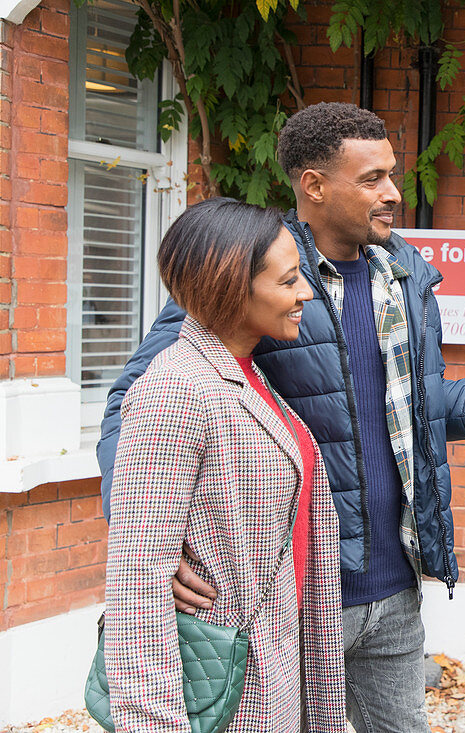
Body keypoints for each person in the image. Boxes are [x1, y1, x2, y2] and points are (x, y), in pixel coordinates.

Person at [97, 103, 465, 732]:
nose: (394, 193)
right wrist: (160, 539)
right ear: (313, 185)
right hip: (295, 591)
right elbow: (137, 404)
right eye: (372, 179)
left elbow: (425, 413)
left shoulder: (405, 279)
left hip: (395, 585)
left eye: (391, 174)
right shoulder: (260, 274)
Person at [104, 198, 344, 731]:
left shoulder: (248, 374)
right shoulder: (175, 388)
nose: (306, 292)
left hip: (275, 673)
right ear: (234, 289)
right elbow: (138, 585)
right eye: (288, 281)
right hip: (225, 693)